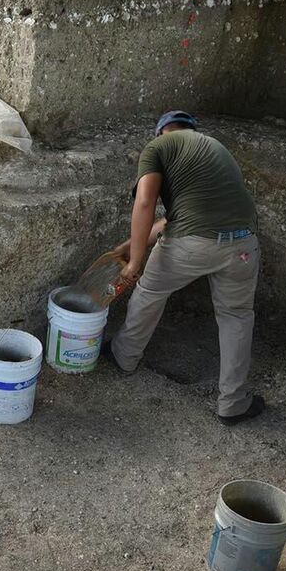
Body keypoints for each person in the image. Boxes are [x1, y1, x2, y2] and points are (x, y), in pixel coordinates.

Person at [107, 110, 266, 425]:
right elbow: (172, 218)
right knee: (236, 316)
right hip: (243, 244)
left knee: (150, 290)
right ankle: (232, 404)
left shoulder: (157, 148)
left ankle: (124, 357)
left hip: (192, 244)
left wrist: (136, 261)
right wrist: (130, 245)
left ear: (161, 132)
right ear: (192, 130)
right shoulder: (211, 149)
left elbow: (144, 201)